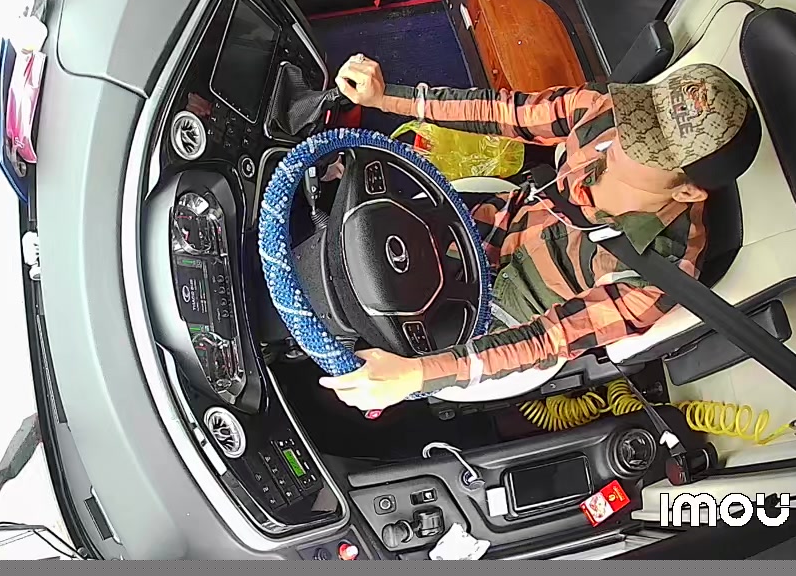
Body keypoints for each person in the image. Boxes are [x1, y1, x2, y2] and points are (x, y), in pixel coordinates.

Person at [318, 55, 762, 412]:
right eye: (640, 118)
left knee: (374, 353)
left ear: (687, 191)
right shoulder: (605, 110)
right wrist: (386, 98)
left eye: (648, 148)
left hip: (506, 323)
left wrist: (416, 375)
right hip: (494, 224)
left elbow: (545, 340)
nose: (622, 139)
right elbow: (502, 112)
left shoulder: (660, 275)